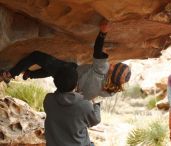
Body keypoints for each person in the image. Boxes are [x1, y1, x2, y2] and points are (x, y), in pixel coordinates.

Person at [0, 21, 131, 100]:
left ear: (113, 70)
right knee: (58, 67)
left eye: (115, 66)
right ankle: (31, 74)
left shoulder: (102, 70)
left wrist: (103, 32)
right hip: (70, 86)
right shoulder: (109, 91)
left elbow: (97, 50)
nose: (113, 64)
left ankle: (9, 74)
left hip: (68, 74)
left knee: (36, 56)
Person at [44, 65, 100, 146]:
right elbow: (96, 120)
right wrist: (97, 104)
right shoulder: (84, 105)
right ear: (76, 84)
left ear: (55, 82)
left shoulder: (48, 100)